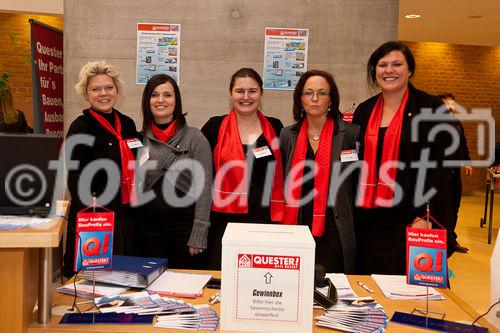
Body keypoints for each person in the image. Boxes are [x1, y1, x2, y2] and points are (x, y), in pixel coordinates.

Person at [353, 41, 454, 275]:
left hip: (414, 217)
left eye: (397, 64)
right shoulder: (365, 110)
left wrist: (425, 213)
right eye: (382, 65)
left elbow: (441, 166)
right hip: (370, 218)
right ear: (374, 71)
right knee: (370, 288)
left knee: (414, 289)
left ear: (410, 70)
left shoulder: (430, 107)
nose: (389, 70)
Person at [201, 68, 284, 269]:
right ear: (231, 94)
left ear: (261, 94)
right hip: (223, 223)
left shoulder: (276, 127)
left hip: (265, 224)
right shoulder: (214, 127)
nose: (246, 97)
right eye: (240, 91)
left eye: (252, 91)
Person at [63, 61, 141, 278]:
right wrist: (94, 216)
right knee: (93, 281)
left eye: (108, 87)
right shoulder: (81, 127)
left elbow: (137, 160)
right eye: (95, 89)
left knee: (125, 277)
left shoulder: (127, 124)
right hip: (96, 217)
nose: (103, 94)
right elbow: (75, 177)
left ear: (116, 90)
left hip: (126, 215)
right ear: (86, 94)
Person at [280, 70, 359, 273]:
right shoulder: (288, 135)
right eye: (308, 93)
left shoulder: (350, 134)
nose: (315, 98)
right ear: (300, 99)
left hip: (334, 228)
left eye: (322, 93)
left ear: (331, 99)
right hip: (297, 226)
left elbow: (358, 185)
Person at [134, 74, 212, 268]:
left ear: (176, 100)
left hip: (184, 231)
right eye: (155, 95)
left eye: (167, 94)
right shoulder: (137, 140)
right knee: (151, 290)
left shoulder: (195, 138)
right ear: (147, 101)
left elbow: (205, 188)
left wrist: (199, 233)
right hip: (147, 231)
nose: (161, 100)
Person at [437, 92, 472, 253]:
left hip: (454, 173)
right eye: (446, 104)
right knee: (443, 210)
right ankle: (442, 241)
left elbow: (462, 144)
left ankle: (451, 240)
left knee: (454, 207)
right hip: (441, 173)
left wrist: (467, 162)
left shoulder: (456, 123)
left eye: (452, 104)